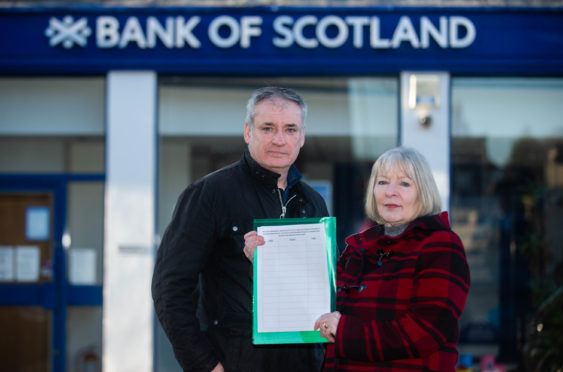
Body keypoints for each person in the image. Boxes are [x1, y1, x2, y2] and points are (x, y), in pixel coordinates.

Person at [151, 86, 329, 372]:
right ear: (248, 132)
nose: (280, 140)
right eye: (268, 128)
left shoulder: (313, 202)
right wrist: (205, 365)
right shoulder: (209, 193)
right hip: (234, 362)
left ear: (302, 137)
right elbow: (169, 288)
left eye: (290, 129)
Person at [313, 147, 470, 371]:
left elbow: (425, 332)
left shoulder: (441, 245)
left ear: (423, 192)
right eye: (383, 182)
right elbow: (317, 309)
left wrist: (345, 330)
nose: (390, 192)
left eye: (404, 183)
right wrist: (263, 262)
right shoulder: (357, 250)